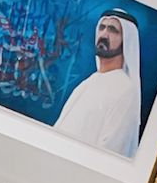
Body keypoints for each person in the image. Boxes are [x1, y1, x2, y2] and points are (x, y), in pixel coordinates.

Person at [55, 11, 141, 158]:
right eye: (102, 28)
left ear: (126, 41)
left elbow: (111, 152)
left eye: (113, 30)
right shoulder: (89, 82)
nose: (104, 34)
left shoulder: (126, 90)